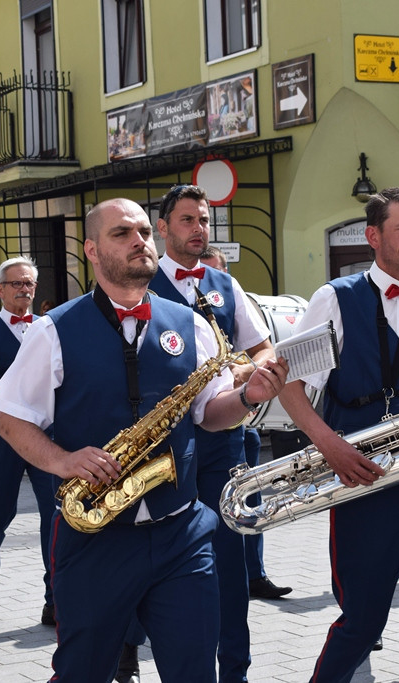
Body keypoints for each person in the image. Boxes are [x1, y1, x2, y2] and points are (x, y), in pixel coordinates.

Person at [0, 197, 288, 683]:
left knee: (194, 672)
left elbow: (209, 414)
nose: (139, 242)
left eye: (145, 232)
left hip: (181, 530)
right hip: (95, 537)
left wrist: (249, 397)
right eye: (122, 234)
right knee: (83, 671)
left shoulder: (190, 323)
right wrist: (64, 461)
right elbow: (10, 421)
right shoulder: (53, 330)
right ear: (91, 249)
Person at [279, 187, 399, 682]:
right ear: (372, 236)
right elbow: (291, 386)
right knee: (362, 622)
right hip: (361, 478)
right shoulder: (333, 299)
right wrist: (329, 445)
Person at [150, 184, 278, 683]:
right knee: (150, 560)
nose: (199, 229)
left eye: (204, 220)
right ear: (163, 229)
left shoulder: (226, 285)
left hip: (222, 443)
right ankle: (129, 648)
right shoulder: (141, 283)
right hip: (161, 447)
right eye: (187, 220)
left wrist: (251, 373)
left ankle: (236, 672)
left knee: (228, 566)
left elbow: (262, 348)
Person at [199, 244, 294, 601]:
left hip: (235, 422)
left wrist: (247, 369)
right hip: (180, 427)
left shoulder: (228, 292)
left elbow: (263, 349)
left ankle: (254, 574)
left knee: (240, 512)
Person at [0, 256, 57, 625]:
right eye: (17, 283)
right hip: (2, 435)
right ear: (0, 289)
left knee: (54, 516)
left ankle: (55, 597)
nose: (24, 289)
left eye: (29, 284)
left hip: (47, 435)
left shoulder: (49, 328)